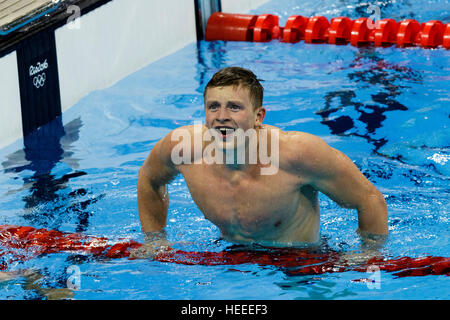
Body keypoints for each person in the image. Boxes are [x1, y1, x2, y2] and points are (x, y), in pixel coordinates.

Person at [136, 67, 388, 254]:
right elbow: (148, 178)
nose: (221, 116)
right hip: (230, 256)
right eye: (213, 107)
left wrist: (369, 255)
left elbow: (369, 199)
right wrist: (154, 238)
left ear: (259, 116)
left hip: (301, 262)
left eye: (234, 107)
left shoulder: (295, 153)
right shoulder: (184, 148)